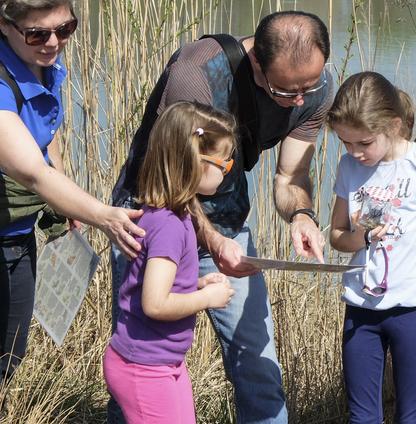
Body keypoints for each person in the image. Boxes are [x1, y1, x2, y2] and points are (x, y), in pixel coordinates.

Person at [109, 10, 334, 423]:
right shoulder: (197, 74)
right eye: (286, 91)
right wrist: (214, 244)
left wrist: (302, 215)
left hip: (228, 227)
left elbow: (291, 174)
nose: (301, 99)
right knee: (144, 356)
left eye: (311, 86)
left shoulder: (315, 88)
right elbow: (176, 179)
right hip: (150, 220)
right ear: (256, 64)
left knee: (258, 364)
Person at [0, 0, 144, 386]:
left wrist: (64, 201)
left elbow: (49, 133)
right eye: (37, 34)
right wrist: (105, 215)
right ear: (4, 24)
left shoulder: (42, 64)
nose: (53, 43)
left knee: (9, 352)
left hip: (16, 231)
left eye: (65, 29)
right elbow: (32, 172)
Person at [327, 71, 416, 423]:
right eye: (346, 143)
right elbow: (336, 235)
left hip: (415, 311)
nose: (355, 152)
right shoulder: (348, 167)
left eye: (364, 143)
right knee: (362, 417)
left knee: (413, 415)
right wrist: (361, 237)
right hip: (361, 310)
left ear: (392, 126)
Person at [103, 102, 236, 424]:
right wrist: (206, 299)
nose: (228, 169)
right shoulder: (169, 226)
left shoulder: (174, 216)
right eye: (225, 162)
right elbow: (156, 304)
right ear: (195, 161)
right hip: (143, 367)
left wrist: (199, 282)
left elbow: (156, 281)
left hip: (162, 363)